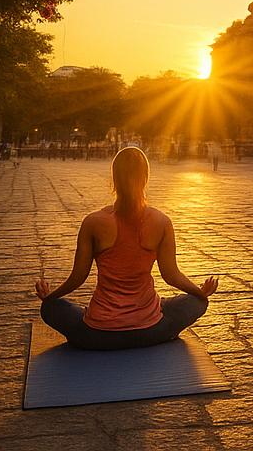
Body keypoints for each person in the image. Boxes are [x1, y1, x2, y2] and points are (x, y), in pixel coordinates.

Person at [35, 146, 218, 351]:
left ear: (114, 179)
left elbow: (77, 277)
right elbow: (171, 275)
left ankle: (101, 317)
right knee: (196, 303)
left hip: (97, 336)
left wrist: (50, 297)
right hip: (150, 331)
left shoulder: (93, 222)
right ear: (146, 178)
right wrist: (200, 293)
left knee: (50, 309)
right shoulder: (162, 221)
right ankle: (160, 327)